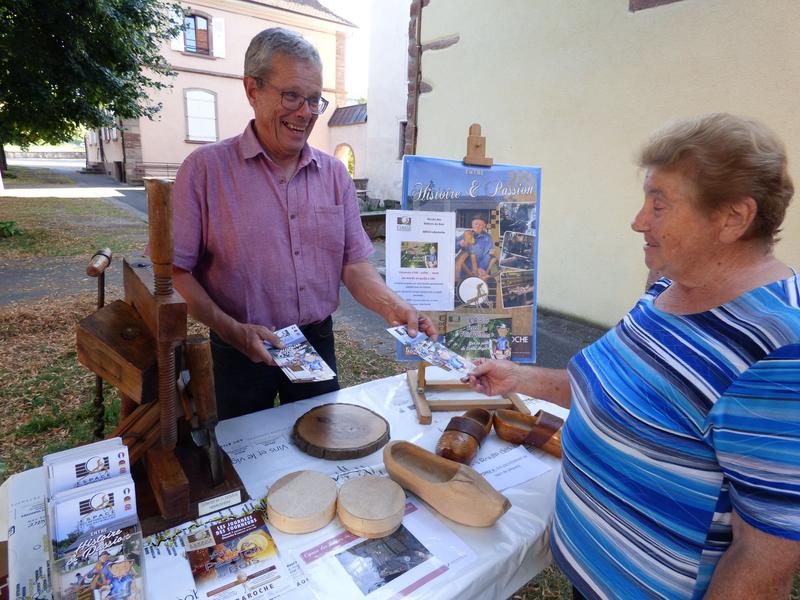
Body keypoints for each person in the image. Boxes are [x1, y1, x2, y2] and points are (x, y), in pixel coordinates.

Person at [467, 113, 800, 599]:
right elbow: (617, 388)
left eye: (659, 204)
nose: (638, 221)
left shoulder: (777, 355)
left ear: (733, 217)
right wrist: (518, 377)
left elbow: (765, 559)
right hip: (597, 573)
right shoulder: (670, 285)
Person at [171, 28, 435, 419]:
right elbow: (178, 271)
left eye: (314, 100)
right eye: (292, 95)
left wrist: (392, 305)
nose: (306, 112)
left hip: (314, 340)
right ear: (252, 90)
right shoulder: (204, 170)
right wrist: (230, 328)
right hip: (237, 345)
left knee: (323, 442)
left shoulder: (333, 174)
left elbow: (354, 263)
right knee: (243, 455)